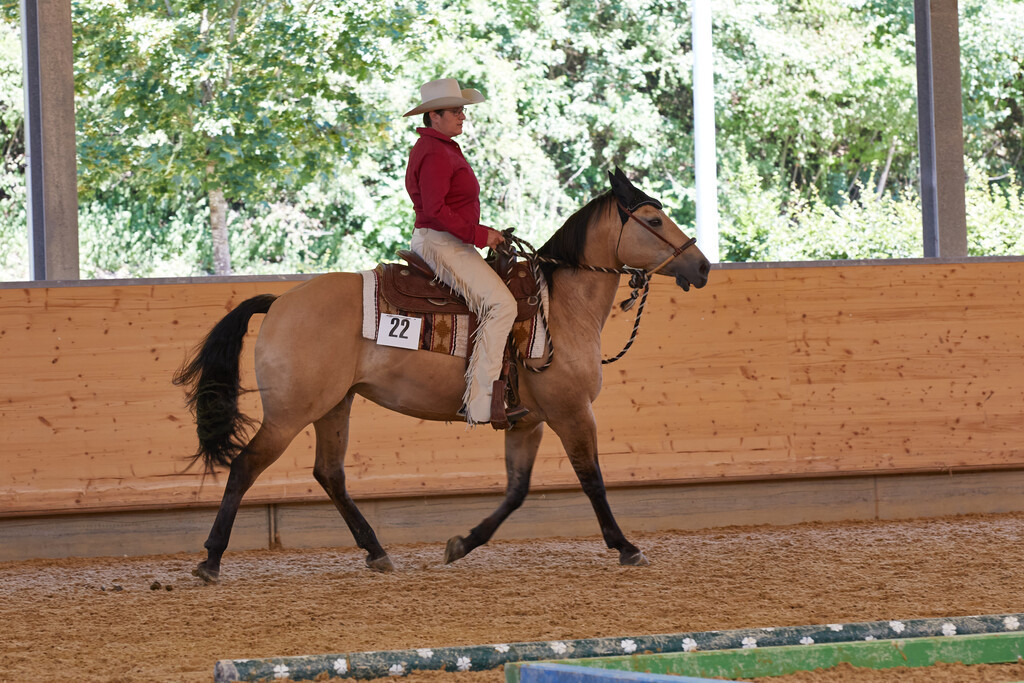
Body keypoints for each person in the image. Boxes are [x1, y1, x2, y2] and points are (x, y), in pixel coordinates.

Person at [403, 77, 519, 427]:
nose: (462, 117)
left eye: (462, 111)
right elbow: (437, 210)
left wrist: (481, 234)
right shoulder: (436, 152)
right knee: (502, 305)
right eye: (455, 111)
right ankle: (481, 402)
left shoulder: (442, 147)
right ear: (433, 116)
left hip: (448, 239)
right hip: (442, 242)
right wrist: (481, 235)